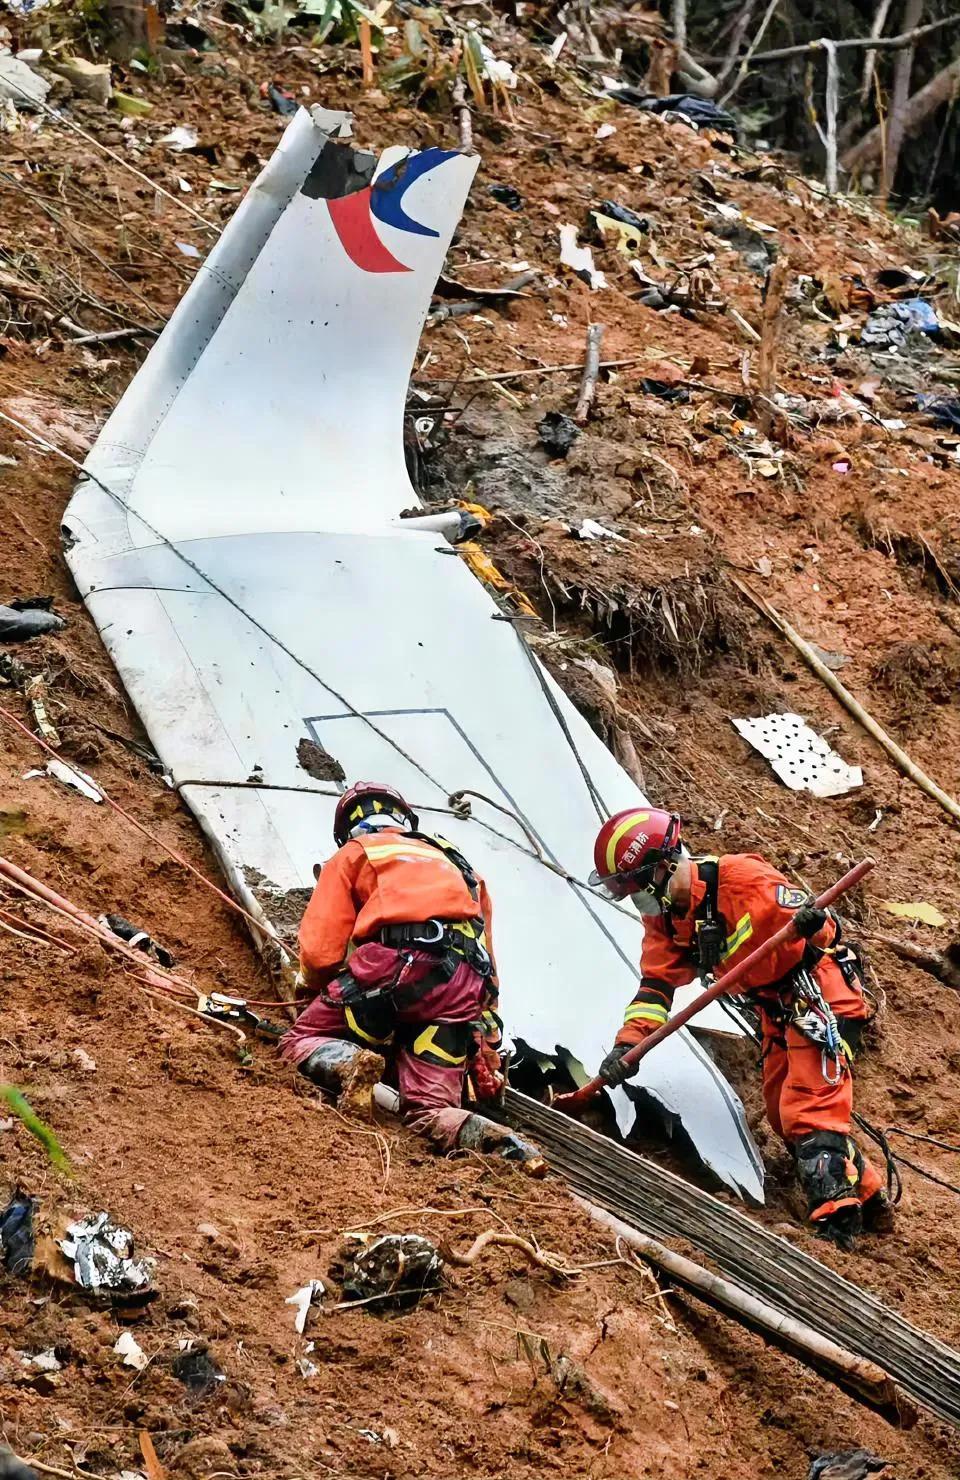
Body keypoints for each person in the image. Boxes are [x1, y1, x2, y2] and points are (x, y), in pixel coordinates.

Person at [589, 807, 891, 1247]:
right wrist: (627, 1047)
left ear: (665, 865)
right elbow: (655, 989)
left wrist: (811, 924)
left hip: (819, 994)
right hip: (775, 1008)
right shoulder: (667, 921)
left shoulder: (743, 879)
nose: (639, 901)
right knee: (778, 1111)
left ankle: (836, 1227)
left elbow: (825, 928)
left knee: (807, 1108)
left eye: (638, 888)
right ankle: (868, 1193)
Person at [280, 781, 544, 1172]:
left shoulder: (356, 853)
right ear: (405, 819)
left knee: (298, 1041)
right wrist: (487, 1038)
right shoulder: (462, 866)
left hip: (395, 970)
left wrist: (312, 991)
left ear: (347, 829)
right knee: (429, 1109)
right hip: (461, 990)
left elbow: (320, 954)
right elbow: (486, 957)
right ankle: (506, 1146)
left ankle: (351, 1064)